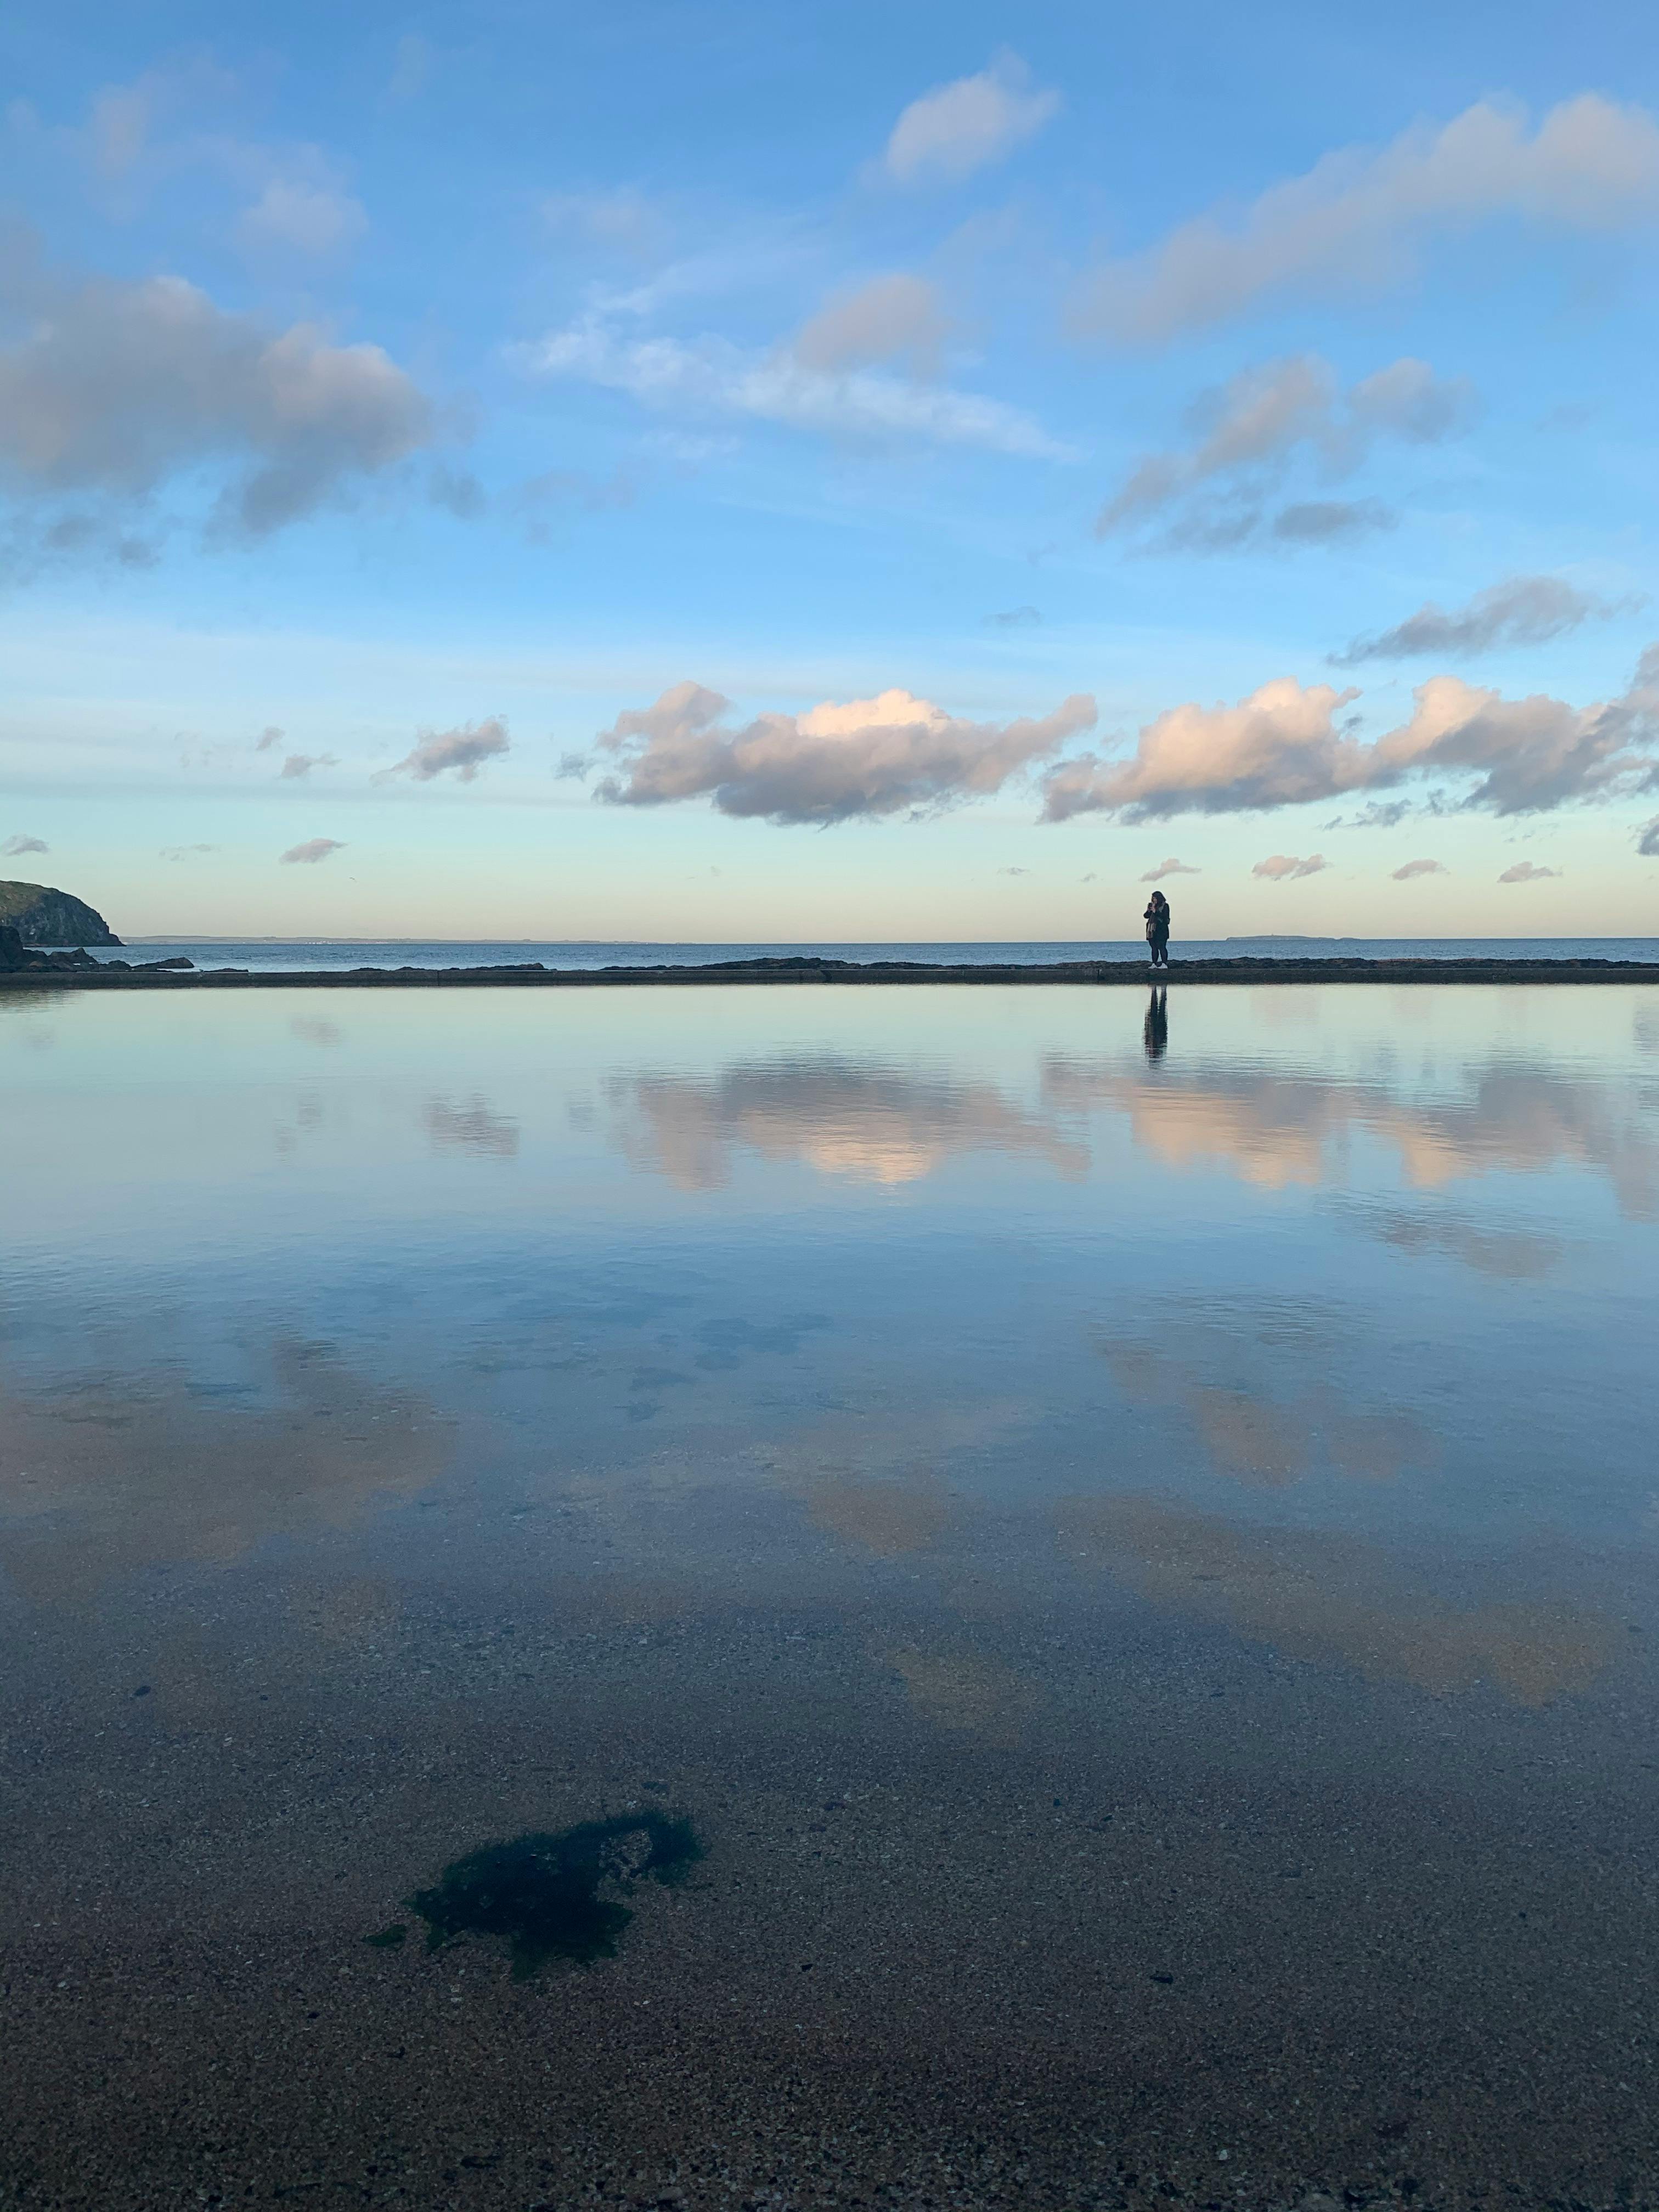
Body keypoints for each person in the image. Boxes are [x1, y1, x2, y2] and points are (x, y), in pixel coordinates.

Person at [1143, 889, 1171, 967]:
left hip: (1162, 930)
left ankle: (1164, 963)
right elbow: (1146, 916)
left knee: (1162, 946)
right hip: (1152, 930)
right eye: (1153, 898)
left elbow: (1165, 917)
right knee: (1154, 947)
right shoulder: (1153, 906)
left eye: (1155, 898)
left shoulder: (1165, 906)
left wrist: (1156, 912)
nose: (1154, 900)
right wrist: (1149, 911)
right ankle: (1154, 963)